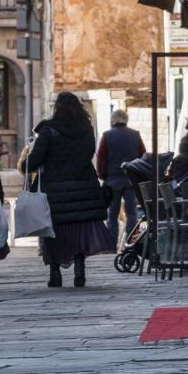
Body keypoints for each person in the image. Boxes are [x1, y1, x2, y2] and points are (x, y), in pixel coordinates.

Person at [26, 92, 114, 288]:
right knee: (79, 228)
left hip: (55, 189)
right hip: (83, 186)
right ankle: (79, 269)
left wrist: (26, 160)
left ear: (57, 108)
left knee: (53, 231)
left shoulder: (48, 130)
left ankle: (54, 273)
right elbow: (89, 153)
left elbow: (35, 160)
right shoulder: (86, 129)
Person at [96, 109, 147, 246]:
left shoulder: (107, 136)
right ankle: (131, 242)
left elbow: (101, 158)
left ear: (113, 120)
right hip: (131, 180)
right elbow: (143, 156)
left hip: (112, 181)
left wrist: (101, 175)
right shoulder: (135, 135)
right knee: (132, 213)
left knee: (112, 215)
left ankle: (112, 243)